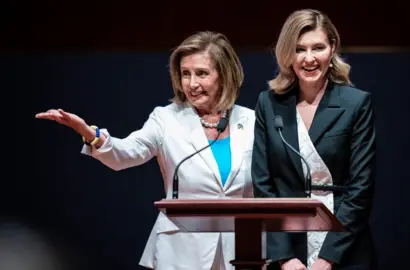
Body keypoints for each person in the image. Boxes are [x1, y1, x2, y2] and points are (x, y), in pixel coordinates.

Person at [35, 31, 256, 270]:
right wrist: (90, 134)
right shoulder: (166, 119)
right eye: (185, 74)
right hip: (181, 252)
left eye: (202, 73)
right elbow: (125, 154)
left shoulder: (252, 120)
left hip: (241, 251)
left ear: (224, 75)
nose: (192, 84)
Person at [252, 9, 377, 270]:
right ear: (288, 54)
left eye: (317, 47)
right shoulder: (268, 104)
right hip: (289, 251)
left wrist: (328, 257)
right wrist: (285, 257)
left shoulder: (357, 104)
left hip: (345, 248)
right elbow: (264, 187)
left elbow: (361, 189)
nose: (309, 59)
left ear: (332, 49)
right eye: (299, 49)